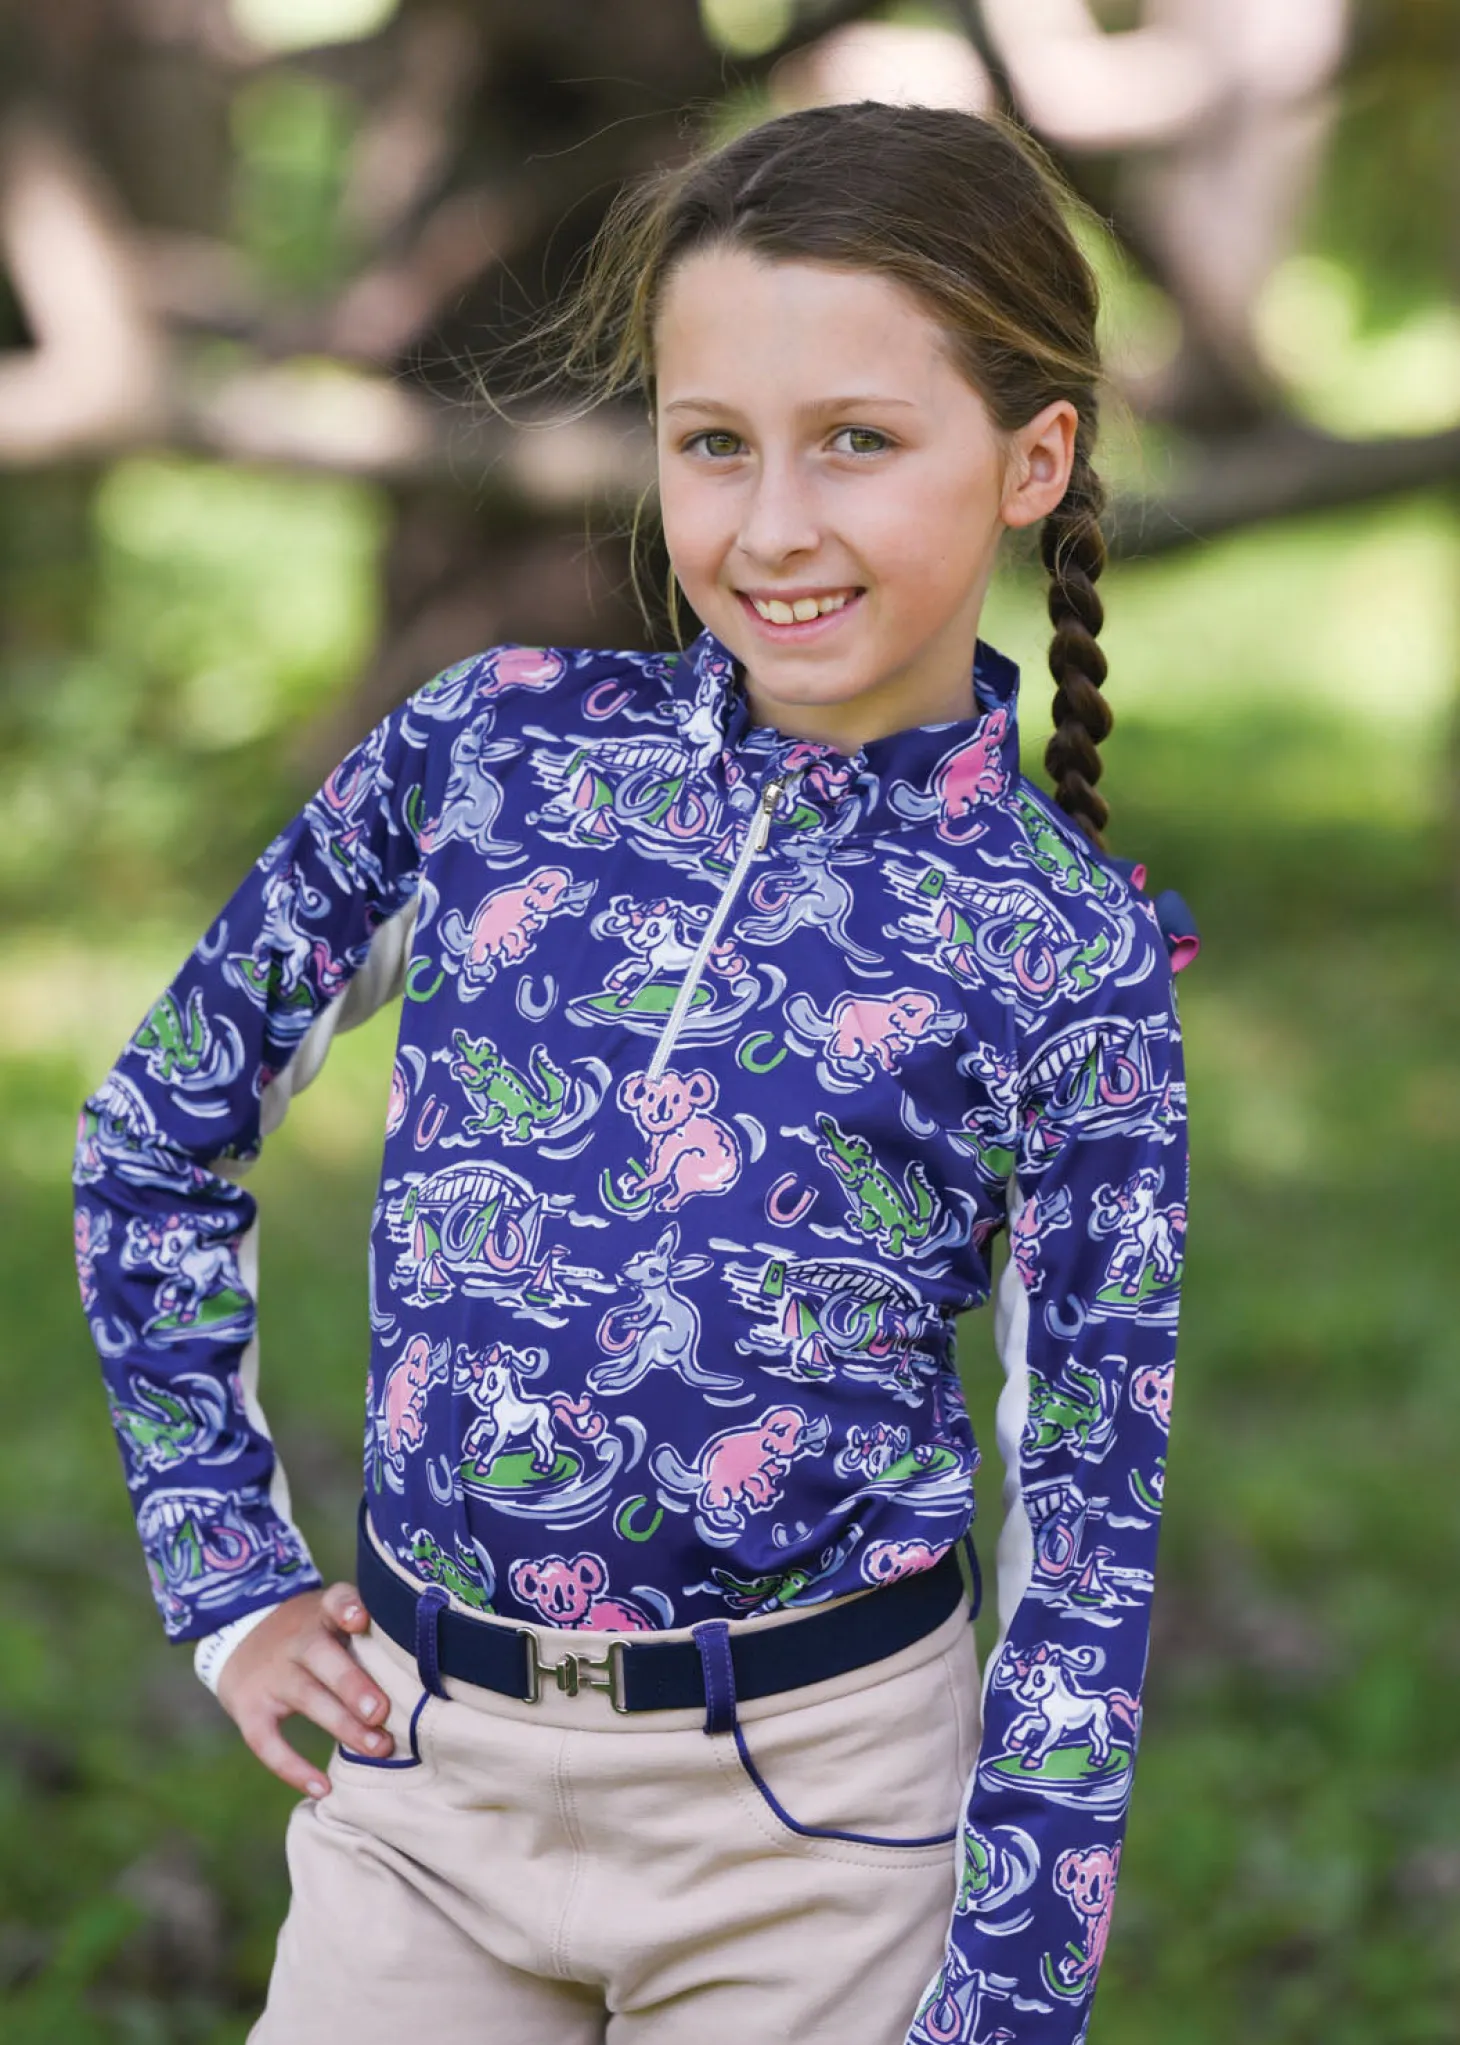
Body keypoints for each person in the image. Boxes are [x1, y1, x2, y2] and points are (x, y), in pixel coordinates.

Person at [73, 101, 1196, 2045]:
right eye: (711, 442)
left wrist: (1007, 1997)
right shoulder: (484, 756)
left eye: (857, 440)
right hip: (423, 1792)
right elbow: (154, 1128)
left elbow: (1088, 1527)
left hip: (826, 1834)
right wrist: (226, 1567)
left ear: (1033, 459)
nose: (771, 527)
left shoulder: (1061, 949)